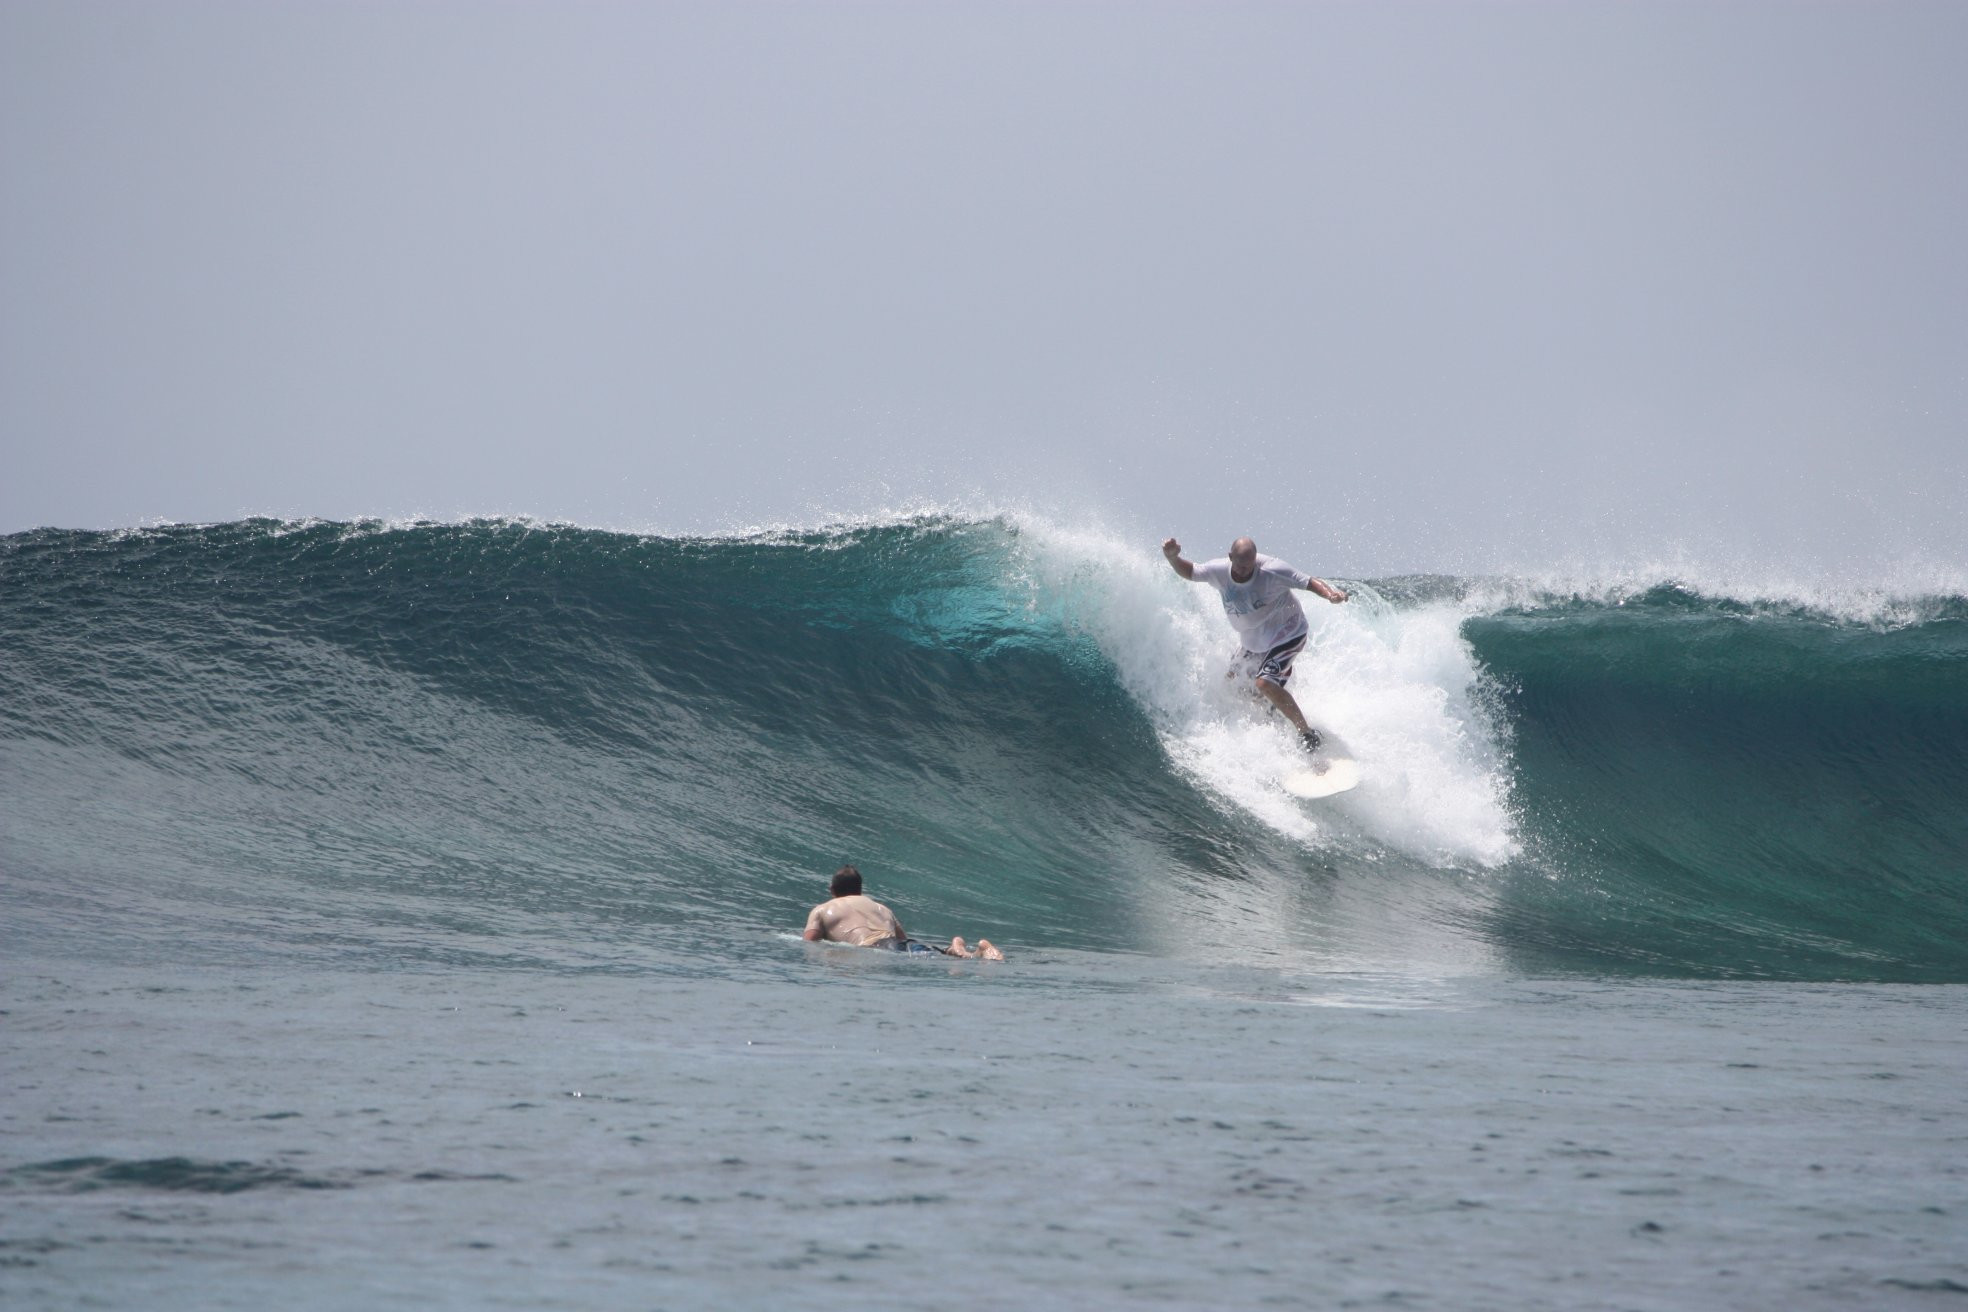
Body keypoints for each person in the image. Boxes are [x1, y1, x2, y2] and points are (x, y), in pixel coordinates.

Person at [1162, 535, 1348, 750]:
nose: (1244, 571)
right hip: (1253, 640)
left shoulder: (1272, 570)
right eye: (1240, 565)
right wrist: (1172, 558)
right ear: (1230, 557)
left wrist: (1330, 595)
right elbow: (1190, 571)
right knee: (1233, 684)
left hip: (1288, 633)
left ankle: (1308, 734)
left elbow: (1308, 581)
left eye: (1249, 566)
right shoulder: (1219, 571)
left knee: (1264, 682)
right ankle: (1274, 710)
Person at [802, 865, 1004, 960]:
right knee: (934, 954)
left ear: (832, 890)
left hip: (879, 948)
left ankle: (963, 950)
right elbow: (903, 939)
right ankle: (967, 949)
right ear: (860, 889)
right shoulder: (881, 907)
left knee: (933, 958)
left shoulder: (822, 909)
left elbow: (810, 943)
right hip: (901, 944)